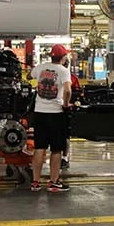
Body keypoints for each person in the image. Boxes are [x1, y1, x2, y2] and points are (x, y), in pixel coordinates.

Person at [28, 44, 72, 192]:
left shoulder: (40, 67)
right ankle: (53, 182)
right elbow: (67, 90)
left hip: (39, 112)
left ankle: (35, 182)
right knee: (56, 149)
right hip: (55, 114)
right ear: (63, 57)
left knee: (39, 147)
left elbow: (29, 76)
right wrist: (65, 104)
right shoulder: (63, 71)